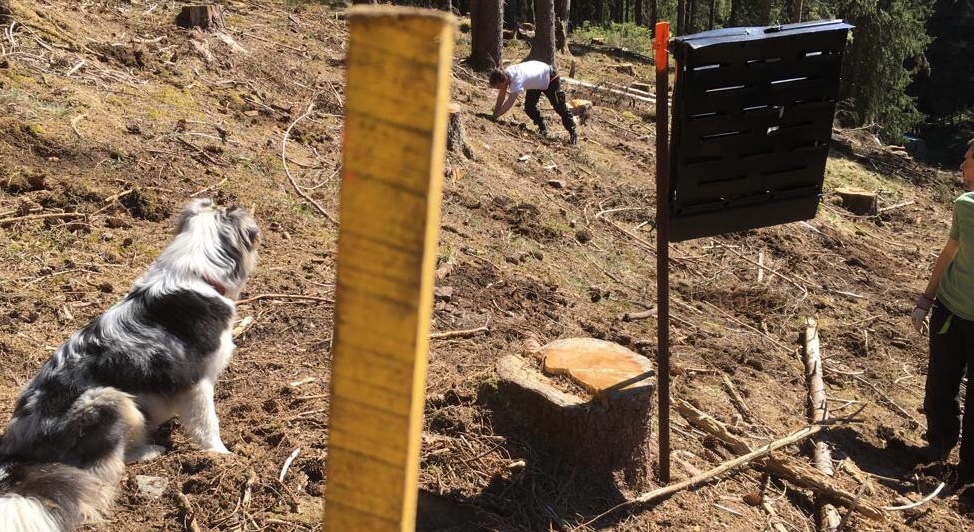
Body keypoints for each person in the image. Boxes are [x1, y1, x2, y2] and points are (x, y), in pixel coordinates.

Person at [913, 137, 974, 484]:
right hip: (951, 308)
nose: (962, 165)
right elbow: (948, 253)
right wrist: (927, 299)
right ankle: (938, 444)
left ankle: (968, 473)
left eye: (968, 159)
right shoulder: (964, 205)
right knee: (940, 383)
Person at [489, 60, 578, 145]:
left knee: (560, 108)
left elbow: (509, 103)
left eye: (498, 86)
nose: (499, 89)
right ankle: (543, 128)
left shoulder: (517, 80)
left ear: (504, 80)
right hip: (536, 80)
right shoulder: (506, 74)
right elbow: (501, 96)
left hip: (550, 78)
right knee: (529, 107)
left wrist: (496, 116)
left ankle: (573, 132)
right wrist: (494, 114)